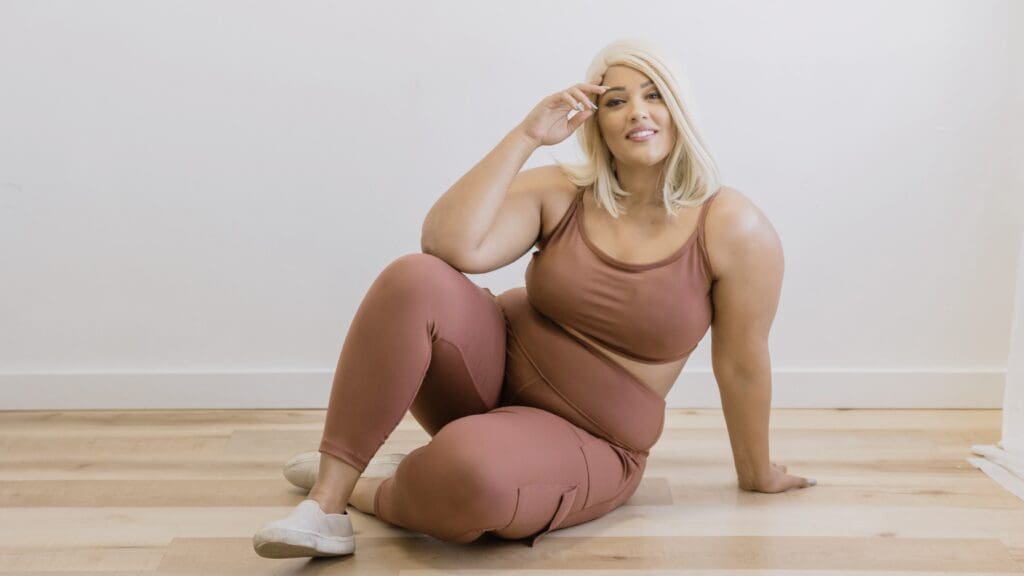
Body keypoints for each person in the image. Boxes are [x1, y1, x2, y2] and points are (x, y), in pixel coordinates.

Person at [252, 36, 815, 559]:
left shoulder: (735, 228)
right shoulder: (564, 191)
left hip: (592, 436)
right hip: (490, 374)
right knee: (413, 277)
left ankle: (374, 489)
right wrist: (526, 137)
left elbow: (741, 363)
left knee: (471, 475)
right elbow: (448, 244)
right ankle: (326, 506)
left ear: (680, 111)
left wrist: (756, 472)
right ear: (598, 120)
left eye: (654, 95)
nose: (638, 112)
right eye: (616, 101)